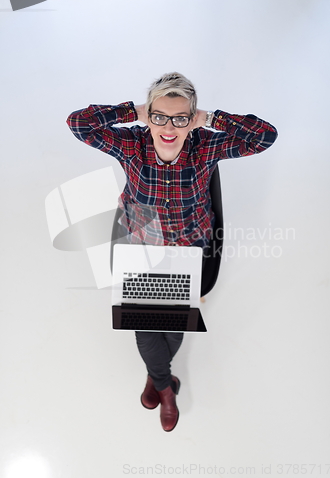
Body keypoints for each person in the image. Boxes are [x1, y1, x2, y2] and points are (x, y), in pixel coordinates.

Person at [66, 72, 278, 432]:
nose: (168, 127)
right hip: (141, 246)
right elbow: (78, 124)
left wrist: (211, 119)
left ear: (191, 118)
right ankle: (165, 387)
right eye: (159, 116)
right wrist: (134, 110)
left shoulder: (206, 146)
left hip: (188, 247)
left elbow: (265, 136)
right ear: (149, 114)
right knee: (146, 326)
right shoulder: (132, 143)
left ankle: (158, 380)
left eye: (180, 118)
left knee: (174, 321)